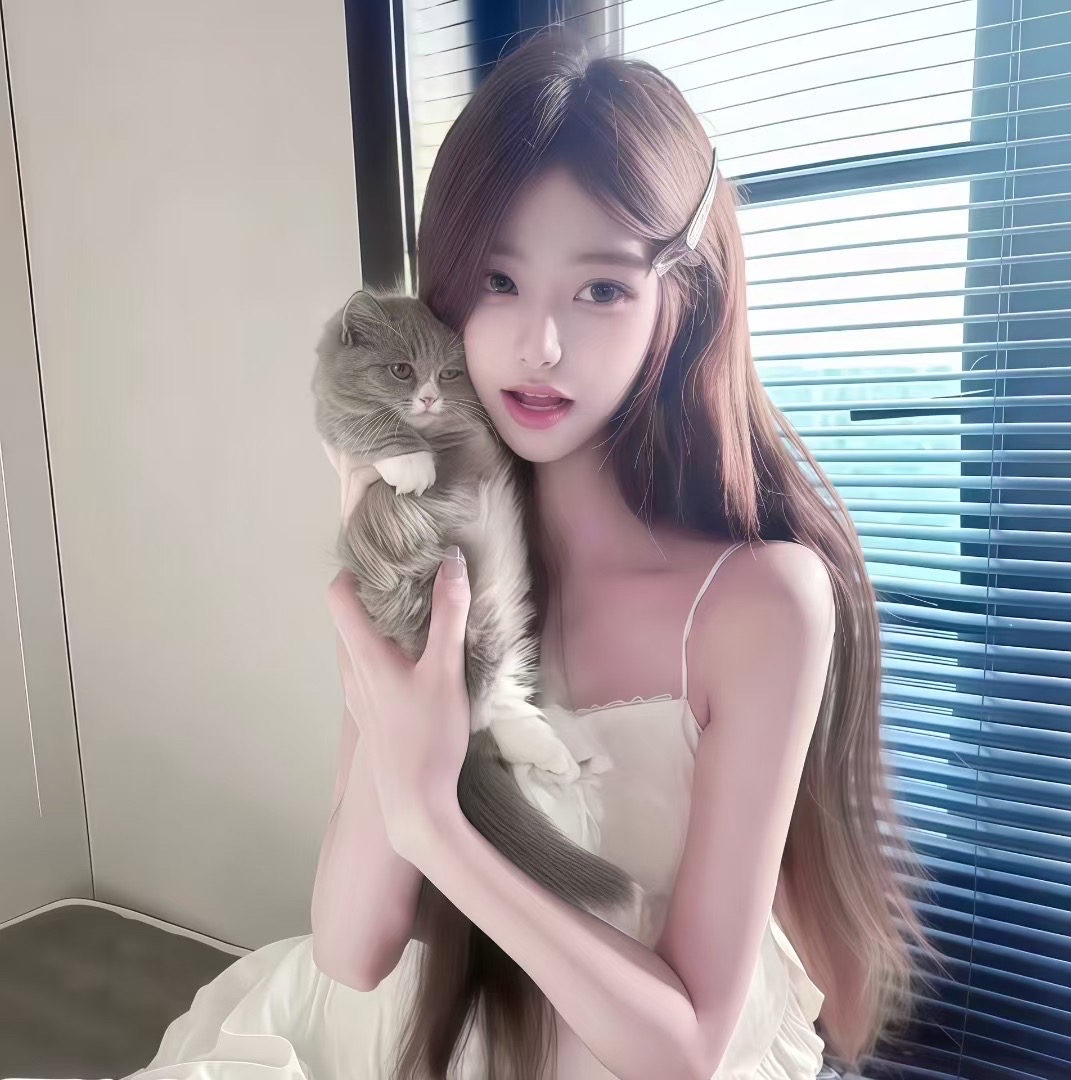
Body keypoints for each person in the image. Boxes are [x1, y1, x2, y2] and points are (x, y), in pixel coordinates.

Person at [45, 23, 933, 1080]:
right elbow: (351, 949)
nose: (538, 344)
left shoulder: (762, 604)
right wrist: (394, 584)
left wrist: (435, 821)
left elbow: (687, 1046)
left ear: (679, 300)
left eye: (600, 289)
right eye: (499, 281)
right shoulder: (440, 568)